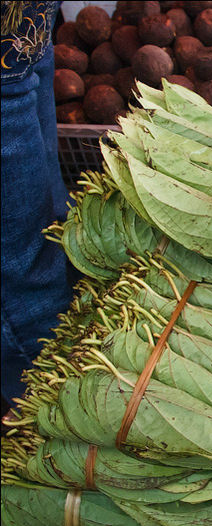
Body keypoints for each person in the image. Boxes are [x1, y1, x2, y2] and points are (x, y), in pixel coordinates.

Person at [2, 1, 72, 405]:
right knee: (23, 263)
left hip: (23, 31)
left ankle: (52, 372)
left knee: (44, 226)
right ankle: (44, 398)